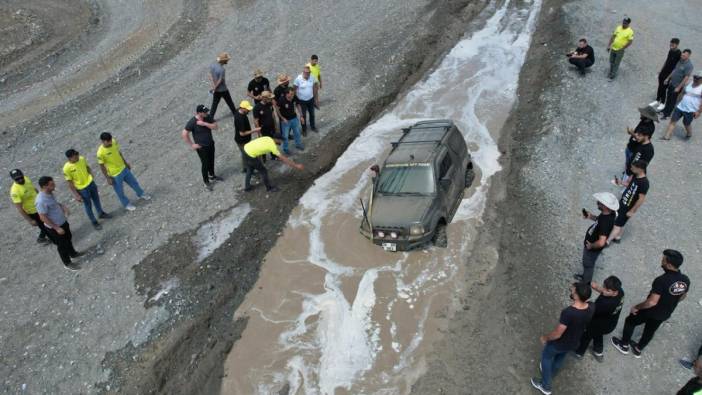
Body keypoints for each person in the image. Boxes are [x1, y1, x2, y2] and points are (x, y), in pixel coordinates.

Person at [612, 249, 690, 358]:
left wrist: (636, 307)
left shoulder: (661, 280)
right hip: (665, 313)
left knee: (630, 321)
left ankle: (624, 345)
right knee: (650, 330)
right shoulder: (685, 280)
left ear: (668, 264)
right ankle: (638, 349)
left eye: (663, 260)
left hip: (651, 311)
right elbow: (683, 296)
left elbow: (652, 302)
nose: (661, 261)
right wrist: (671, 302)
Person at [530, 282, 594, 395]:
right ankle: (551, 373)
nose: (572, 290)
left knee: (546, 357)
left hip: (560, 343)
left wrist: (546, 338)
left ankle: (546, 386)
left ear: (577, 295)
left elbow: (558, 333)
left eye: (574, 290)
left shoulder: (568, 312)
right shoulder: (591, 307)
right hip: (574, 342)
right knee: (560, 358)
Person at [35, 176, 83, 270]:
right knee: (62, 245)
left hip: (62, 222)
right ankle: (67, 263)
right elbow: (42, 217)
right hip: (55, 227)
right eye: (52, 184)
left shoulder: (50, 193)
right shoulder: (41, 201)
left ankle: (72, 253)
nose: (54, 185)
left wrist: (62, 207)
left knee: (68, 238)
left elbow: (54, 203)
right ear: (45, 186)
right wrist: (56, 228)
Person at [96, 132, 151, 211]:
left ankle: (141, 194)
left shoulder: (114, 142)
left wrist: (126, 163)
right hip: (114, 174)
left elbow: (119, 153)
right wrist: (108, 178)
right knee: (120, 191)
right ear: (103, 141)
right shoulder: (100, 153)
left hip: (123, 168)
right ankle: (126, 204)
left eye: (111, 140)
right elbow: (102, 166)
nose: (111, 142)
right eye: (108, 141)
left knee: (134, 183)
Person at [574, 276, 624, 362]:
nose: (604, 290)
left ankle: (579, 352)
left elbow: (591, 310)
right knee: (598, 334)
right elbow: (605, 291)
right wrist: (596, 287)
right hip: (610, 323)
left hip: (598, 323)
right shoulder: (621, 292)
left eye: (607, 290)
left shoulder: (606, 304)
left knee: (587, 335)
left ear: (615, 292)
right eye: (604, 286)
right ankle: (598, 351)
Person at [574, 192, 618, 284]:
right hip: (592, 245)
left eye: (600, 202)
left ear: (606, 206)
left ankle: (585, 282)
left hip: (592, 248)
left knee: (588, 264)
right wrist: (590, 216)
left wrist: (591, 246)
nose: (597, 202)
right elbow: (599, 220)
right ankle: (585, 278)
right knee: (588, 264)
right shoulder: (608, 214)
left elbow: (601, 242)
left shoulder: (606, 221)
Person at [63, 149, 111, 230]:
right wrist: (76, 195)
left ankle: (101, 213)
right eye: (75, 156)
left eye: (77, 154)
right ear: (70, 158)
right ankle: (94, 221)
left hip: (90, 183)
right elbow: (70, 183)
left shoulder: (81, 159)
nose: (77, 157)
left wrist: (91, 173)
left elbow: (86, 167)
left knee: (96, 199)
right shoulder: (66, 168)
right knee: (88, 205)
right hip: (82, 189)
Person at [181, 104, 220, 191]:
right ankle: (206, 181)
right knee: (205, 164)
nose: (207, 113)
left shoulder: (207, 117)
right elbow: (184, 134)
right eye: (205, 112)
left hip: (210, 143)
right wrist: (192, 145)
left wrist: (204, 123)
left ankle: (212, 175)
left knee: (211, 160)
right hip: (201, 147)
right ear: (199, 113)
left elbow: (215, 127)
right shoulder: (192, 122)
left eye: (206, 111)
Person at [609, 160, 649, 244]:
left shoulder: (644, 183)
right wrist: (620, 182)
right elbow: (630, 185)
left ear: (640, 169)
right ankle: (617, 237)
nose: (631, 169)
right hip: (623, 201)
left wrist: (632, 211)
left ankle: (607, 241)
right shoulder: (635, 175)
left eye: (633, 168)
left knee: (617, 224)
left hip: (628, 207)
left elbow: (641, 199)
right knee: (620, 221)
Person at [9, 169, 49, 244]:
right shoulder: (14, 191)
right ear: (13, 179)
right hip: (33, 212)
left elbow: (33, 189)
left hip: (40, 205)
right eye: (17, 179)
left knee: (46, 224)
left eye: (21, 177)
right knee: (45, 226)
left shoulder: (26, 179)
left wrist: (42, 196)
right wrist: (30, 220)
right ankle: (54, 239)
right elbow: (19, 208)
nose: (20, 180)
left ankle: (41, 237)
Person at [662, 74, 702, 140]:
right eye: (695, 77)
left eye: (698, 78)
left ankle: (689, 133)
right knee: (673, 121)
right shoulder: (689, 83)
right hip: (680, 107)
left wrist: (698, 112)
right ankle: (667, 136)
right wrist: (677, 103)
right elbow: (682, 93)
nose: (695, 79)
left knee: (686, 123)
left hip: (691, 110)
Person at [622, 106, 656, 180]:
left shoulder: (650, 127)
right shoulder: (643, 121)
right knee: (628, 162)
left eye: (642, 114)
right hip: (630, 146)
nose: (641, 114)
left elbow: (640, 139)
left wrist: (632, 133)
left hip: (635, 149)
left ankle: (628, 178)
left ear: (647, 116)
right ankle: (626, 173)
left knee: (632, 164)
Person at [661, 49, 694, 120]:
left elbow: (686, 77)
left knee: (672, 100)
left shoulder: (689, 65)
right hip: (672, 83)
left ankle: (667, 114)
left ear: (688, 56)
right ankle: (664, 110)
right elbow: (674, 70)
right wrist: (668, 78)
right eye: (682, 54)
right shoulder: (680, 61)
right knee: (668, 98)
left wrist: (679, 87)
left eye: (684, 55)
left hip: (677, 86)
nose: (682, 56)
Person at [650, 38, 681, 111]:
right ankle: (657, 100)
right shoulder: (670, 51)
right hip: (664, 71)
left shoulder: (679, 53)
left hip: (669, 74)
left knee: (664, 88)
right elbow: (666, 61)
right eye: (671, 43)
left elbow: (676, 67)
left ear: (677, 44)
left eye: (673, 44)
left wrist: (669, 77)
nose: (671, 45)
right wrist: (661, 70)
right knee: (660, 85)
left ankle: (663, 103)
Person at [276, 87, 305, 154]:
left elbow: (298, 105)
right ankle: (285, 149)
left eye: (293, 94)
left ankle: (298, 144)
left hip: (294, 118)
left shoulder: (294, 97)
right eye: (291, 94)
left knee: (297, 132)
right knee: (285, 136)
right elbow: (277, 109)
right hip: (285, 121)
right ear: (287, 94)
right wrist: (282, 118)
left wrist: (301, 116)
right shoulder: (281, 100)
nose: (292, 95)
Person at [233, 100, 260, 172]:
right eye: (247, 109)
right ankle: (249, 170)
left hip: (243, 140)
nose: (249, 110)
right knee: (248, 155)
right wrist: (255, 130)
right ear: (242, 108)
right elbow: (242, 133)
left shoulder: (238, 111)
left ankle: (245, 168)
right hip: (242, 141)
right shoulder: (240, 119)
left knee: (244, 155)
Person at [208, 52, 236, 119]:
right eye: (227, 60)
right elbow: (220, 81)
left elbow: (209, 75)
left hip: (216, 90)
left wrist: (213, 86)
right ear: (224, 61)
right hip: (223, 89)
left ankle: (211, 117)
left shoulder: (213, 66)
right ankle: (235, 113)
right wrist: (215, 87)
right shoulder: (222, 70)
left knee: (214, 104)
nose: (227, 61)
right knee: (229, 101)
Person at [294, 65, 320, 133]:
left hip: (310, 99)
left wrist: (315, 99)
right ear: (303, 72)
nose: (307, 74)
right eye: (306, 72)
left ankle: (313, 126)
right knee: (303, 116)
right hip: (301, 101)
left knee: (312, 114)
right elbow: (294, 89)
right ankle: (304, 129)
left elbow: (315, 87)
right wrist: (296, 101)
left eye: (308, 72)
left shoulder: (312, 77)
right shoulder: (298, 79)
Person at [253, 91, 278, 160]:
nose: (270, 99)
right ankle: (263, 156)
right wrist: (258, 133)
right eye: (269, 98)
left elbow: (273, 115)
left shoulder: (269, 104)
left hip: (271, 127)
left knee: (272, 141)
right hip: (264, 130)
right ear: (264, 98)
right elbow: (256, 121)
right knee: (264, 144)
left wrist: (275, 125)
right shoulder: (257, 108)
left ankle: (273, 155)